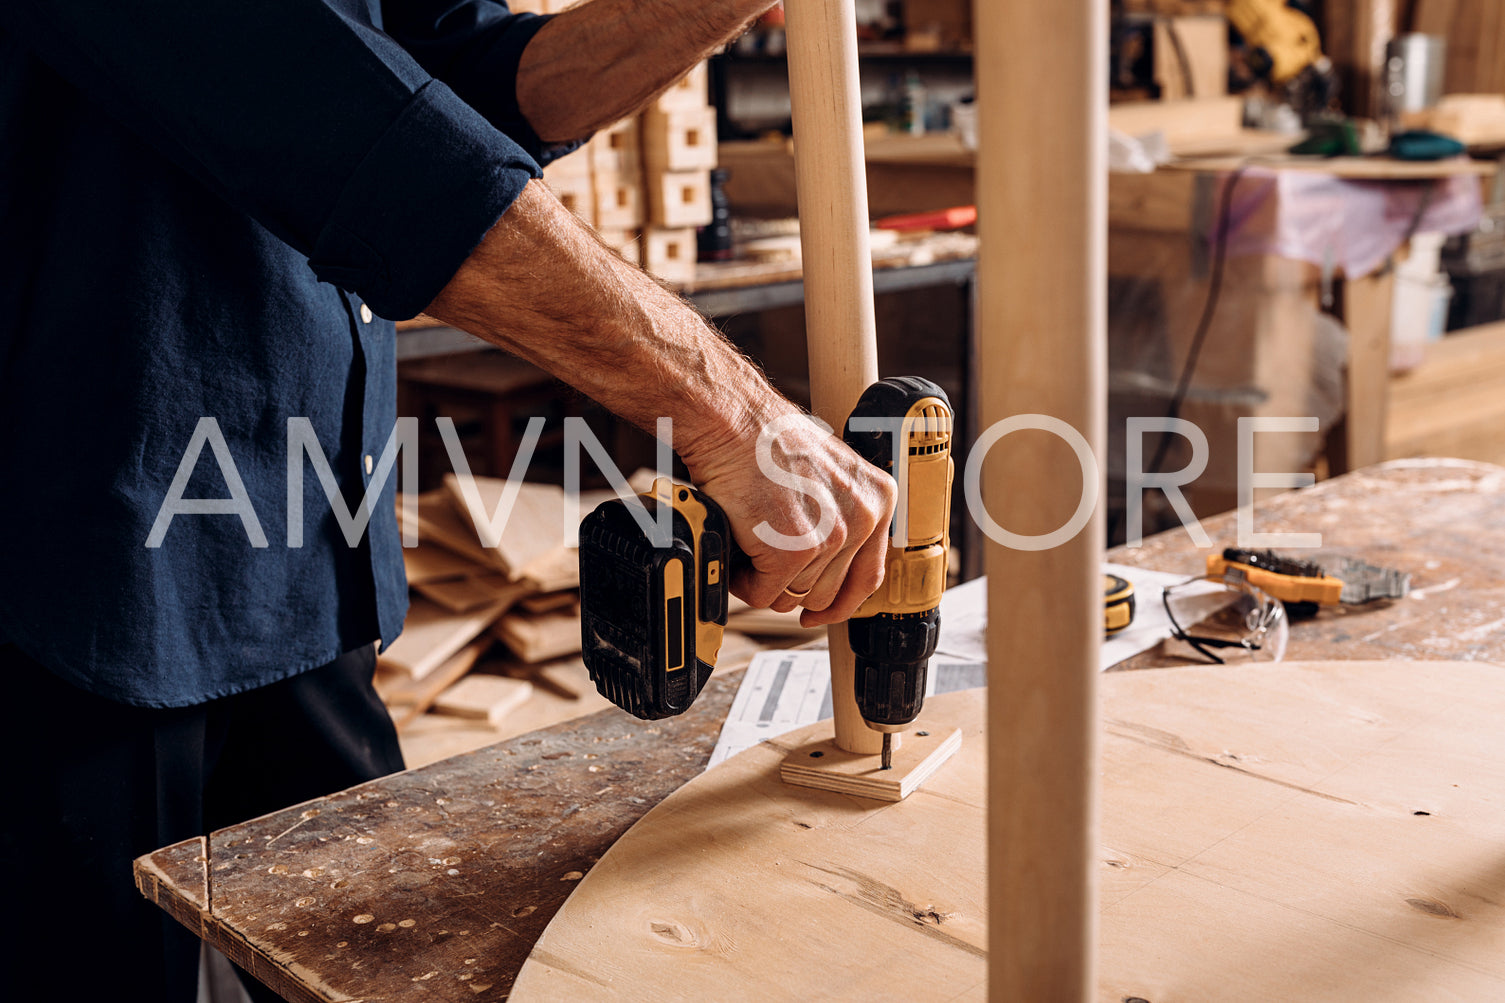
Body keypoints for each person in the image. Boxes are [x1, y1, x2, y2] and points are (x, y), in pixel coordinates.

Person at [0, 1, 895, 998]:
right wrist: (724, 409)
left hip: (301, 546)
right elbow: (332, 116)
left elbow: (466, 83)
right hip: (66, 567)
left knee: (376, 969)